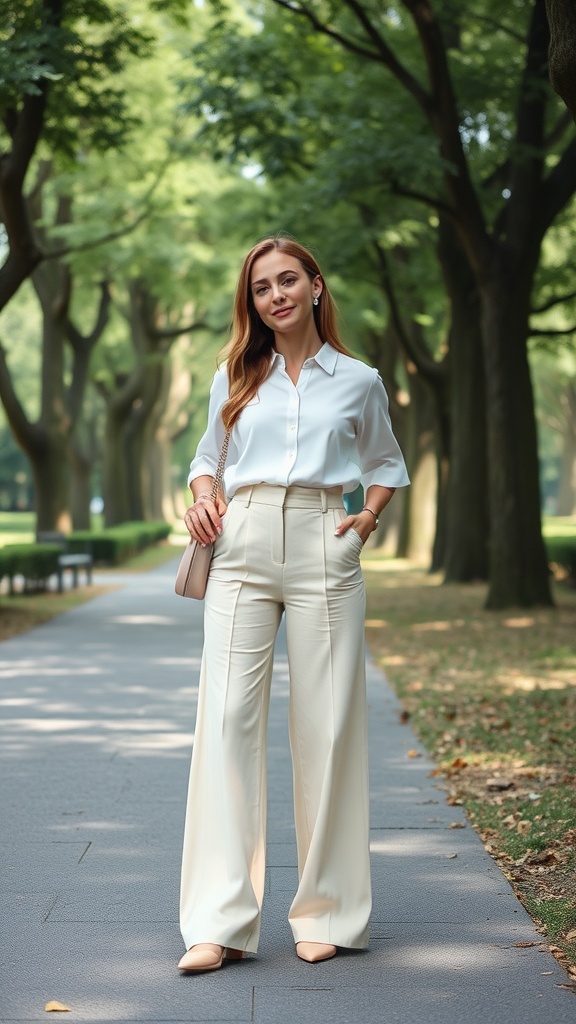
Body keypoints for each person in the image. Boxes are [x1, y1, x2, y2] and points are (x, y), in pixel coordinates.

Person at [179, 235, 409, 973]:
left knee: (329, 727)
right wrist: (203, 496)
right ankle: (217, 922)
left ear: (315, 285)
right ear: (252, 303)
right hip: (243, 544)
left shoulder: (360, 379)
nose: (274, 296)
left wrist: (364, 522)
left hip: (322, 541)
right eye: (260, 288)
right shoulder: (235, 375)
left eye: (287, 281)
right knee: (226, 722)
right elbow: (206, 459)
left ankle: (328, 913)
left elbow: (385, 464)